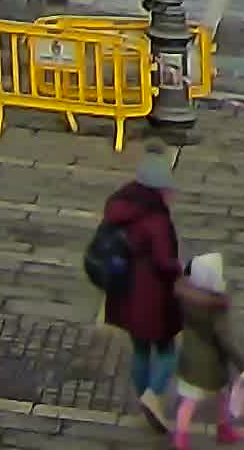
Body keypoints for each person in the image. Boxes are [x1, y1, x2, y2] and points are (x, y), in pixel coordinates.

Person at [99, 151, 186, 411]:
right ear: (158, 189)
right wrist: (181, 269)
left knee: (140, 351)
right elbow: (163, 261)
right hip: (152, 297)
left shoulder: (119, 206)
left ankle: (143, 397)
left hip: (124, 292)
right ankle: (152, 395)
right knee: (168, 352)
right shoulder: (156, 219)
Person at [163, 252, 244, 447]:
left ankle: (181, 438)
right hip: (212, 365)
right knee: (221, 398)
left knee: (189, 402)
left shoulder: (183, 299)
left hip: (189, 359)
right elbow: (225, 340)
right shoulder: (215, 309)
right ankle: (223, 430)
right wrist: (242, 365)